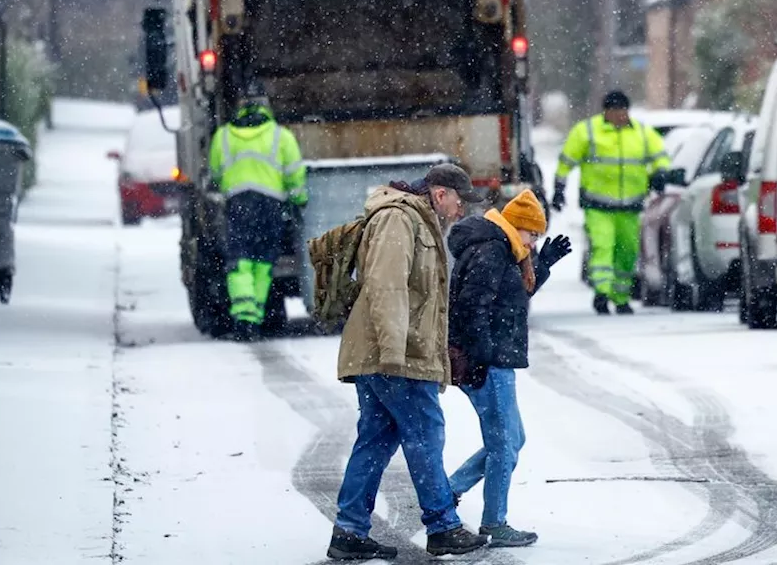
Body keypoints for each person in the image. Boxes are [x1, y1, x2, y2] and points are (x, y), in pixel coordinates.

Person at [327, 163, 492, 561]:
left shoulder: (415, 221)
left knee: (377, 439)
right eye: (458, 202)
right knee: (425, 434)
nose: (460, 211)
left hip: (390, 353)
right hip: (394, 356)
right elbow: (387, 287)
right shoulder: (400, 221)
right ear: (439, 194)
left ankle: (349, 531)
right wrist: (392, 353)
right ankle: (442, 526)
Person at [445, 189, 572, 548]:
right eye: (532, 236)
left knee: (512, 439)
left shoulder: (502, 249)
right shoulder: (491, 251)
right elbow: (473, 307)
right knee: (503, 444)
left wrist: (542, 265)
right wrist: (482, 357)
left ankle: (448, 490)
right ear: (517, 226)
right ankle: (494, 523)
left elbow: (510, 296)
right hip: (490, 363)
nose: (532, 244)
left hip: (495, 359)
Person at [552, 90, 671, 315]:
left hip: (631, 206)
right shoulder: (587, 131)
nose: (620, 116)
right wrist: (559, 188)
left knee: (627, 252)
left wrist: (661, 173)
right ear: (606, 111)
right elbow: (566, 160)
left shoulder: (642, 133)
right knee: (603, 246)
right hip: (598, 205)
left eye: (624, 111)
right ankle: (602, 293)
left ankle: (621, 297)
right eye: (616, 111)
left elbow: (660, 156)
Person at [207, 81, 307, 340]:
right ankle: (256, 318)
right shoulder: (280, 136)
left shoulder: (223, 136)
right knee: (263, 263)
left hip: (237, 205)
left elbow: (215, 174)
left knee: (239, 262)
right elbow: (295, 174)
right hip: (270, 207)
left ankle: (243, 319)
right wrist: (299, 200)